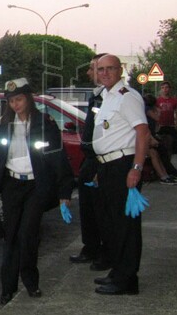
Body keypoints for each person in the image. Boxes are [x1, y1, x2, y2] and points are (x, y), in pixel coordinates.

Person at [0, 78, 74, 305]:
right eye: (11, 101)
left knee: (28, 235)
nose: (15, 104)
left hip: (35, 186)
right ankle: (8, 288)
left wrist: (64, 192)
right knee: (10, 236)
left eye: (19, 99)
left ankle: (31, 283)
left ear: (28, 99)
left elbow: (58, 158)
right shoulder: (6, 125)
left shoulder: (44, 123)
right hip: (12, 184)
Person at [90, 54, 149, 296]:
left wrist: (136, 168)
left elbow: (142, 132)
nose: (104, 73)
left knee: (126, 226)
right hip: (107, 167)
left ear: (120, 70)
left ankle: (127, 280)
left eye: (109, 69)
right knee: (112, 224)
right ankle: (118, 271)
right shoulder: (107, 97)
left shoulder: (127, 96)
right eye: (100, 69)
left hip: (123, 166)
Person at [70, 54, 111, 269]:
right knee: (87, 208)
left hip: (99, 159)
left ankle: (104, 253)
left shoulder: (110, 97)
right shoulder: (97, 96)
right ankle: (91, 248)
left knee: (101, 210)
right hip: (90, 157)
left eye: (92, 68)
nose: (88, 72)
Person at [143, 94, 177, 185]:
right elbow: (157, 118)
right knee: (157, 152)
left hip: (149, 136)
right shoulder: (147, 109)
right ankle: (165, 174)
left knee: (156, 153)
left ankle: (165, 174)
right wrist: (158, 110)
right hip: (145, 137)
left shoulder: (146, 109)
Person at [155, 81, 177, 157]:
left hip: (170, 126)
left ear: (169, 89)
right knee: (160, 145)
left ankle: (169, 161)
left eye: (166, 87)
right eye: (163, 88)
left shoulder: (174, 100)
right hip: (161, 126)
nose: (165, 89)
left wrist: (176, 125)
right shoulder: (157, 101)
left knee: (169, 145)